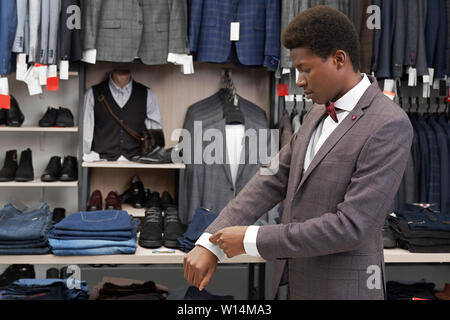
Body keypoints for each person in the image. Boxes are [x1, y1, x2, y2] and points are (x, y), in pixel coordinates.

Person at [183, 6, 414, 300]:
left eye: (305, 69)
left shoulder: (389, 124)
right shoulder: (316, 112)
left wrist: (251, 238)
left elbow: (351, 226)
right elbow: (271, 178)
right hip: (297, 285)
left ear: (339, 59)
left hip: (344, 291)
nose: (300, 80)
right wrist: (209, 242)